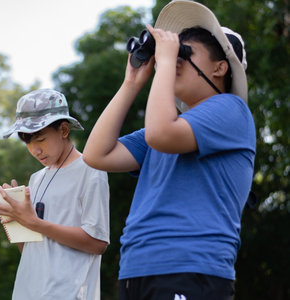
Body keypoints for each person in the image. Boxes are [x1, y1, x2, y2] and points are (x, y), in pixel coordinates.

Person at [82, 1, 255, 299]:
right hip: (137, 269)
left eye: (185, 53)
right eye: (175, 52)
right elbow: (96, 155)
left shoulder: (231, 110)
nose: (175, 60)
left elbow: (161, 134)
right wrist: (130, 84)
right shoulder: (169, 127)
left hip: (191, 268)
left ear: (220, 67)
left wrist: (163, 63)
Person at [0, 88, 110, 300]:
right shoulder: (37, 178)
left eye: (40, 139)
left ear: (64, 130)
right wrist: (14, 220)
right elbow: (31, 250)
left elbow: (97, 242)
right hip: (28, 291)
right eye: (27, 141)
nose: (35, 149)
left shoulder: (91, 170)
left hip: (69, 293)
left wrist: (34, 223)